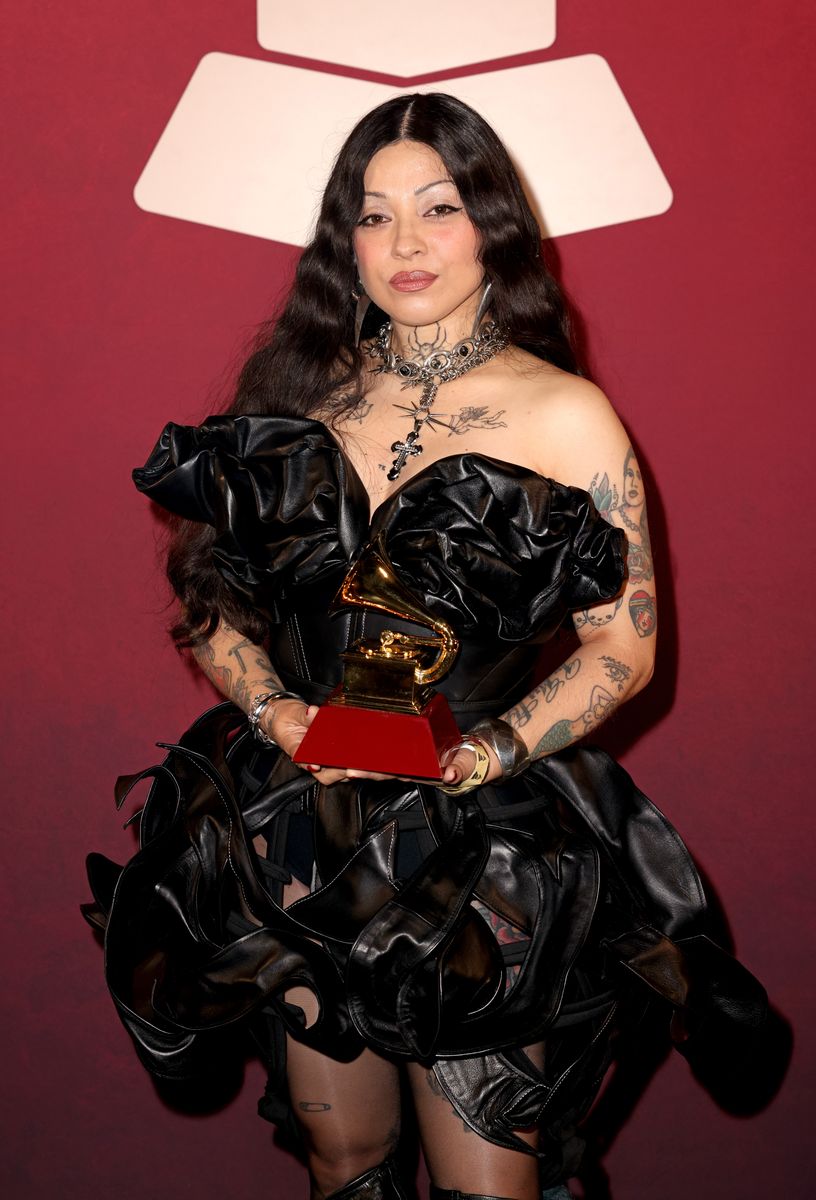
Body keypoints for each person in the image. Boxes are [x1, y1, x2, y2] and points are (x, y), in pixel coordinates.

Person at [83, 93, 767, 1200]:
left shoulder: (568, 417)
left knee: (486, 1183)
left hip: (480, 851)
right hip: (301, 834)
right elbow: (211, 601)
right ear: (341, 241)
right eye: (374, 214)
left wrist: (482, 754)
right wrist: (281, 717)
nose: (405, 243)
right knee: (341, 1161)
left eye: (438, 208)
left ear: (492, 223)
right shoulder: (298, 395)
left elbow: (621, 651)